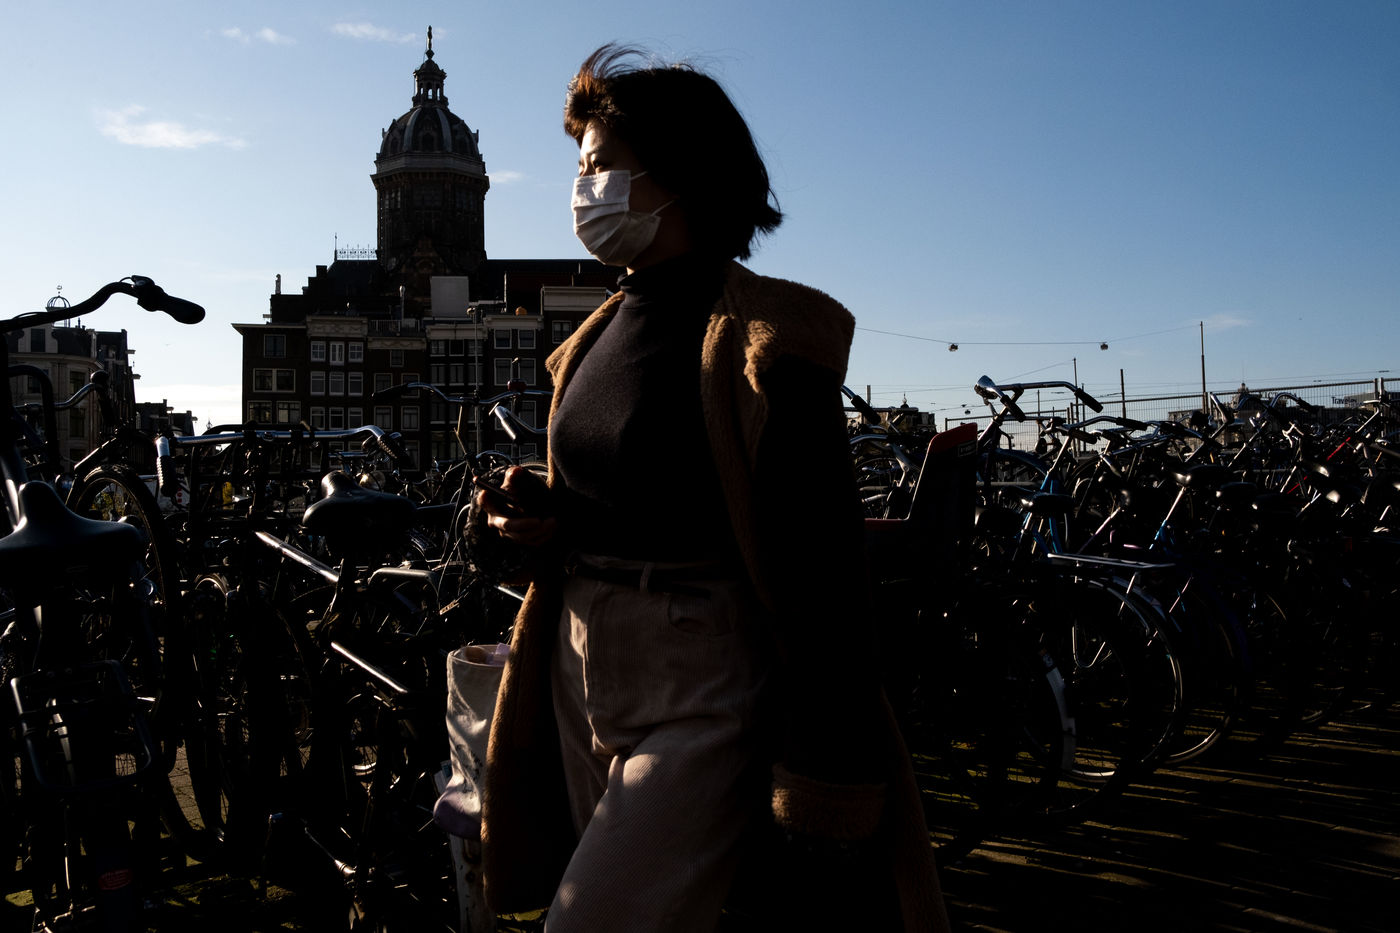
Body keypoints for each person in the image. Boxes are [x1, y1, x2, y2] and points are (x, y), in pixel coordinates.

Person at [476, 43, 949, 932]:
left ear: (682, 175)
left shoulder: (769, 340)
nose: (583, 188)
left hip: (697, 670)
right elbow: (621, 493)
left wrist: (826, 780)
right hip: (578, 659)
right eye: (581, 167)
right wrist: (535, 513)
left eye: (601, 165)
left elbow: (823, 564)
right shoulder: (598, 331)